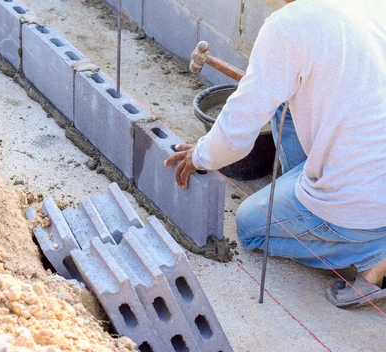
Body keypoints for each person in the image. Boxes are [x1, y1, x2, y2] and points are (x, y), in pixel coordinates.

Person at [164, 0, 386, 308]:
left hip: (366, 203)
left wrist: (201, 155)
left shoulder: (288, 26)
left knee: (250, 227)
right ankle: (314, 197)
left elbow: (235, 136)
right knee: (285, 102)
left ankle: (374, 253)